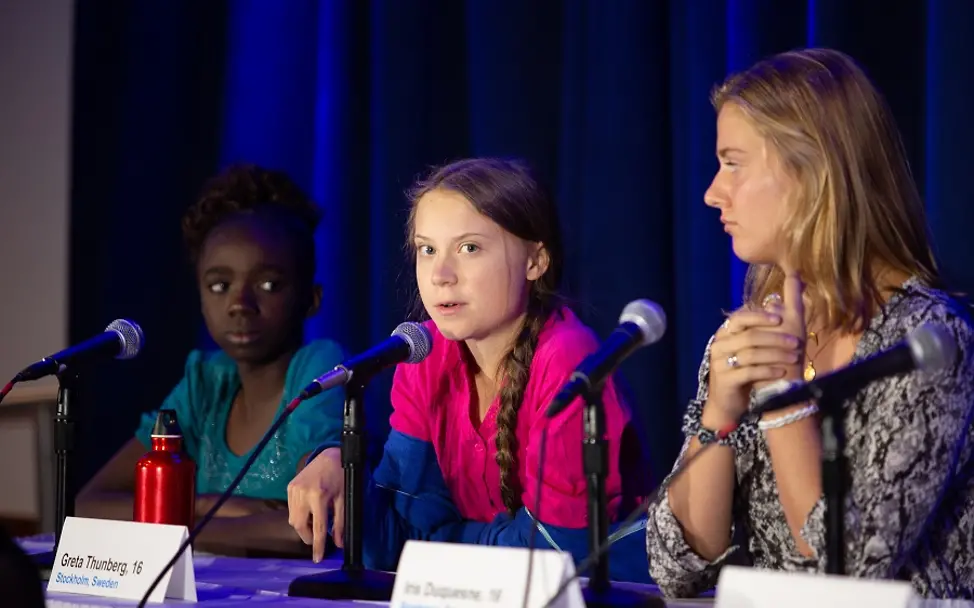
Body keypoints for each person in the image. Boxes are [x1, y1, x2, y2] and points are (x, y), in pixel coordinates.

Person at [646, 48, 974, 599]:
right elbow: (675, 568)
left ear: (813, 169)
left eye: (733, 163)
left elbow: (845, 574)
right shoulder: (754, 330)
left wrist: (786, 399)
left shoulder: (932, 341)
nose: (710, 192)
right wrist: (719, 414)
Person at [287, 157, 653, 583]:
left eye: (469, 248)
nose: (441, 275)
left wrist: (443, 544)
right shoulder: (421, 356)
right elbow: (393, 545)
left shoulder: (567, 356)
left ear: (535, 261)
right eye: (427, 250)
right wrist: (337, 467)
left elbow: (552, 556)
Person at [76, 164, 347, 553]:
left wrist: (173, 524)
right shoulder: (204, 382)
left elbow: (307, 530)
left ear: (312, 299)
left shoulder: (320, 366)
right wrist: (208, 507)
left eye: (268, 284)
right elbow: (89, 505)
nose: (239, 304)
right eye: (219, 285)